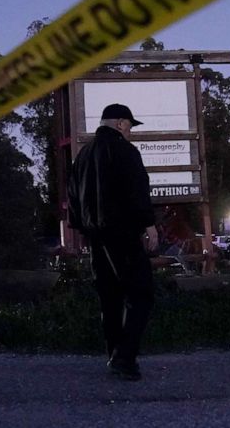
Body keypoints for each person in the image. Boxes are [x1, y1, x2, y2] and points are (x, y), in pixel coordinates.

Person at [67, 103, 158, 381]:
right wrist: (149, 224)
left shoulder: (83, 154)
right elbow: (137, 189)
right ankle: (124, 358)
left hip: (95, 235)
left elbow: (73, 196)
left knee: (110, 297)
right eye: (129, 126)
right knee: (141, 293)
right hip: (122, 232)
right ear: (119, 123)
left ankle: (113, 353)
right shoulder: (125, 151)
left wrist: (83, 228)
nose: (130, 132)